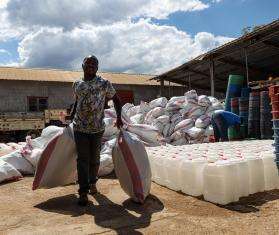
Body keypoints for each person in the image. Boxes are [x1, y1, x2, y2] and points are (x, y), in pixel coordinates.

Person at [69, 55, 123, 206]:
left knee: (95, 159)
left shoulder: (104, 83)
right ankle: (83, 192)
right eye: (88, 63)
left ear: (97, 67)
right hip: (80, 128)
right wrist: (71, 117)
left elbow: (117, 100)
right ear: (83, 65)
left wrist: (119, 117)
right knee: (82, 159)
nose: (91, 66)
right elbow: (77, 101)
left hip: (97, 129)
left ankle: (93, 183)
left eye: (94, 64)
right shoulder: (77, 84)